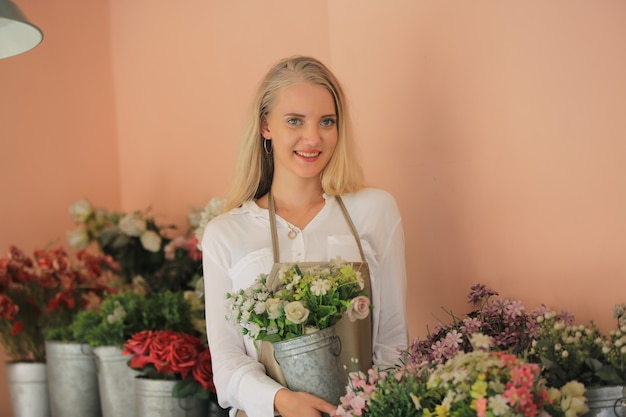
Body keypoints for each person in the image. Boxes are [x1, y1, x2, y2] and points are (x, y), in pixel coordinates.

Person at [202, 55, 408, 417]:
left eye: (326, 121)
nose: (313, 138)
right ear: (266, 126)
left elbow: (393, 341)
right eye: (294, 121)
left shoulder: (375, 211)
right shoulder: (225, 233)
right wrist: (282, 401)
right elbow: (228, 362)